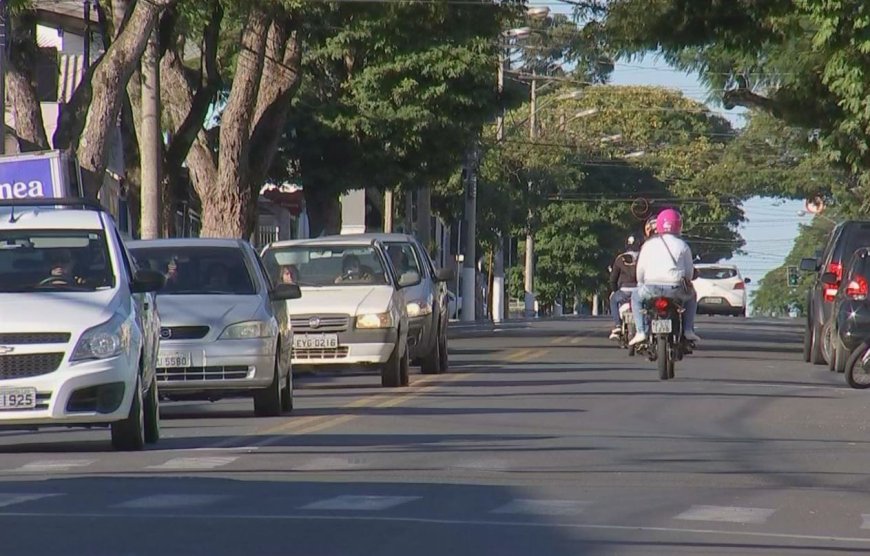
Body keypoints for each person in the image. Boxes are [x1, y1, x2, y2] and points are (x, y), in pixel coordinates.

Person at [628, 208, 700, 346]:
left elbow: (640, 271)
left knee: (636, 297)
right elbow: (689, 274)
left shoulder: (648, 245)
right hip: (675, 288)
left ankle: (641, 332)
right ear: (679, 225)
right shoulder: (683, 245)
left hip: (651, 288)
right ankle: (688, 330)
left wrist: (641, 283)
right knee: (692, 296)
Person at [608, 236, 640, 340]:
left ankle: (617, 325)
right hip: (640, 290)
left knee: (613, 300)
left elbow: (612, 279)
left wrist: (614, 290)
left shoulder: (619, 259)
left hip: (624, 291)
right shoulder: (643, 257)